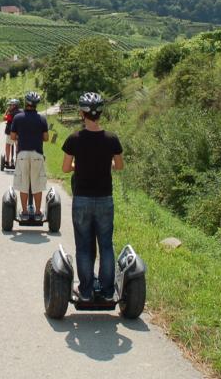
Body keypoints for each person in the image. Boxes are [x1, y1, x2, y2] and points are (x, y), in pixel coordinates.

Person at [61, 92, 124, 303]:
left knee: (84, 245)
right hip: (105, 198)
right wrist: (107, 164)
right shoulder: (111, 139)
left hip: (82, 199)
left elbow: (65, 167)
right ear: (100, 113)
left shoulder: (74, 139)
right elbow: (119, 165)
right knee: (106, 244)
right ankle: (107, 291)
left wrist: (80, 165)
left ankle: (86, 291)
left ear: (81, 113)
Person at [10, 91, 49, 221]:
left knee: (23, 183)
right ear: (37, 104)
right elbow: (46, 138)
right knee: (37, 183)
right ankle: (38, 212)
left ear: (26, 103)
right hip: (37, 154)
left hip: (22, 154)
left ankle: (25, 212)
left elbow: (13, 137)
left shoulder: (18, 118)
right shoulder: (42, 119)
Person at [3, 98, 21, 167]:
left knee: (8, 145)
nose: (9, 107)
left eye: (10, 105)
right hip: (19, 133)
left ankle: (7, 161)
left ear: (14, 105)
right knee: (18, 147)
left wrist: (6, 111)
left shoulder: (11, 114)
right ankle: (17, 161)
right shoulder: (21, 112)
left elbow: (4, 118)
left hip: (11, 132)